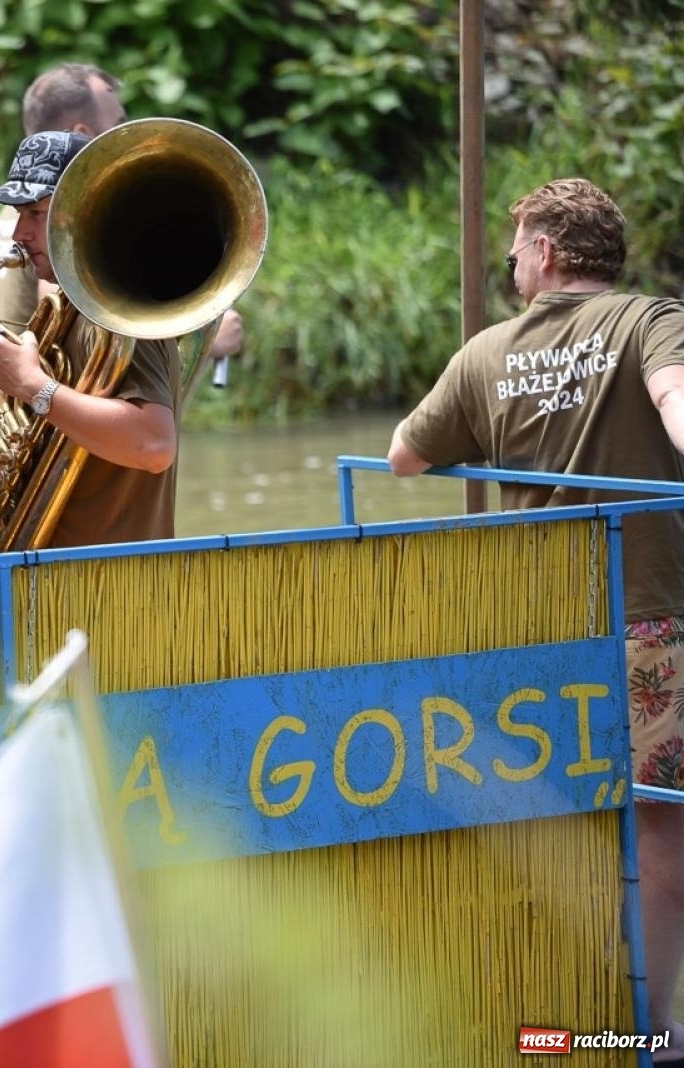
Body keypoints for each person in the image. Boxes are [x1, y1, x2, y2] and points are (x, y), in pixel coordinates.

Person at [388, 177, 684, 1050]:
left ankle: (552, 1018)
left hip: (535, 630)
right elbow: (676, 402)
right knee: (658, 827)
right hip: (646, 621)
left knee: (550, 822)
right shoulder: (650, 320)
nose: (512, 262)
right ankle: (646, 1031)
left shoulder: (485, 353)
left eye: (517, 248)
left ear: (547, 252)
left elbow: (402, 458)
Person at [0, 132, 180, 547]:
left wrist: (32, 386)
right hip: (53, 568)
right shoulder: (65, 307)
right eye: (19, 214)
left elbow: (154, 445)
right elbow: (57, 418)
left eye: (36, 213)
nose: (20, 232)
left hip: (109, 574)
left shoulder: (118, 312)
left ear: (86, 211)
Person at [0, 64, 243, 387]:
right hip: (50, 407)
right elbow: (64, 318)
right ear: (84, 134)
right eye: (117, 124)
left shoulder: (17, 212)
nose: (123, 136)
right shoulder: (56, 222)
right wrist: (205, 342)